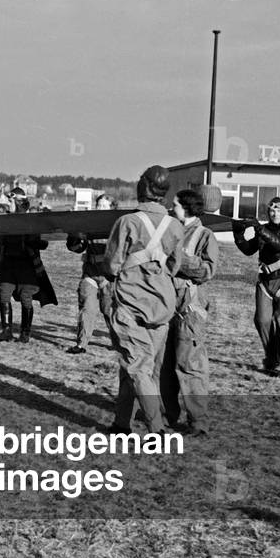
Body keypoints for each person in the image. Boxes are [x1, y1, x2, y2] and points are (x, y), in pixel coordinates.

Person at [103, 165, 185, 435]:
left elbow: (112, 265)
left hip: (130, 305)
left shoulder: (128, 222)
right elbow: (175, 266)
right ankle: (120, 423)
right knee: (140, 368)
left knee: (136, 367)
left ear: (145, 187)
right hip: (162, 308)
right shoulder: (175, 225)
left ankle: (157, 430)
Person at [161, 188, 219, 436]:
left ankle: (198, 422)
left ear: (186, 208)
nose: (170, 208)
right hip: (165, 306)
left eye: (174, 205)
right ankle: (167, 416)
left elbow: (208, 270)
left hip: (190, 310)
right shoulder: (169, 229)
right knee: (164, 365)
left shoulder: (205, 235)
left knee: (190, 365)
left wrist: (179, 259)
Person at [233, 196, 280, 378]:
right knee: (262, 320)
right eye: (271, 209)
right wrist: (237, 233)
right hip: (265, 282)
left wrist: (259, 228)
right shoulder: (264, 230)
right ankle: (271, 359)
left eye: (278, 209)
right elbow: (249, 249)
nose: (274, 213)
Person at [0, 188, 57, 343]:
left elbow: (39, 241)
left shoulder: (31, 221)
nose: (7, 203)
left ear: (18, 203)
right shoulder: (4, 221)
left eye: (11, 201)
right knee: (4, 293)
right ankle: (6, 331)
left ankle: (25, 333)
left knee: (26, 297)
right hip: (8, 264)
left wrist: (34, 242)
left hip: (26, 265)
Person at [65, 193, 117, 354]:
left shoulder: (117, 225)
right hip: (90, 273)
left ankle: (117, 343)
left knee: (110, 311)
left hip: (109, 276)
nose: (100, 209)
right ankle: (81, 344)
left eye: (104, 206)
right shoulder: (88, 224)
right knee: (87, 308)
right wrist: (74, 240)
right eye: (98, 205)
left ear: (111, 208)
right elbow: (78, 247)